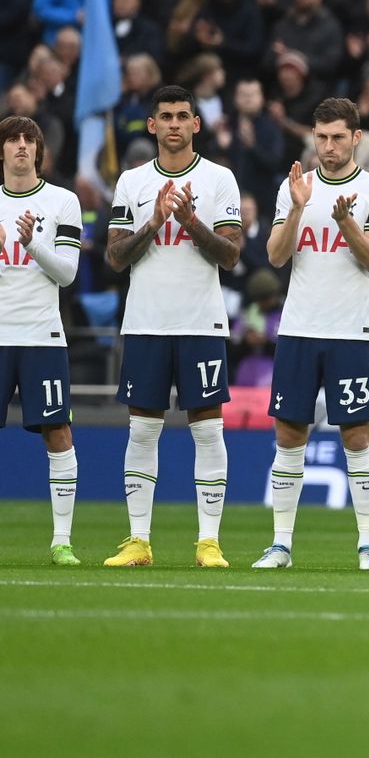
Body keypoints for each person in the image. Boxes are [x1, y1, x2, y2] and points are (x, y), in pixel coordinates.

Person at [254, 99, 369, 571]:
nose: (328, 146)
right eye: (321, 137)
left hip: (351, 331)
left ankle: (368, 544)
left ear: (357, 137)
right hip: (298, 327)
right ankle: (280, 545)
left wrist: (344, 222)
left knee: (357, 436)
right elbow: (276, 257)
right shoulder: (296, 186)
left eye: (337, 137)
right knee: (289, 434)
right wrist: (297, 210)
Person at [103, 85, 243, 568]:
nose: (176, 124)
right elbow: (115, 257)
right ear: (152, 125)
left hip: (201, 322)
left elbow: (230, 254)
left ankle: (209, 543)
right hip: (146, 322)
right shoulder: (132, 182)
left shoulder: (220, 179)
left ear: (196, 125)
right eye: (166, 116)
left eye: (184, 116)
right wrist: (153, 222)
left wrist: (190, 221)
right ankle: (139, 541)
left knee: (208, 433)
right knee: (142, 432)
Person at [0, 116, 83, 564]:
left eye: (28, 139)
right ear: (2, 150)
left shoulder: (62, 202)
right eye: (11, 139)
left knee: (58, 432)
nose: (20, 146)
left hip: (42, 335)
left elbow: (67, 274)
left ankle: (62, 541)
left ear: (38, 150)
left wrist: (31, 243)